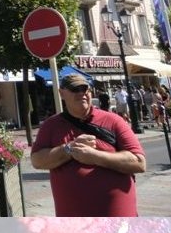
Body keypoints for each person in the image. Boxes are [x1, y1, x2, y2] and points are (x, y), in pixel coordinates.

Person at [31, 74, 146, 217]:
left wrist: (95, 157)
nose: (82, 93)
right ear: (62, 93)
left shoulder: (114, 121)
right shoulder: (51, 126)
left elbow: (139, 163)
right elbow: (37, 161)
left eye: (85, 89)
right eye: (75, 89)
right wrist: (69, 148)